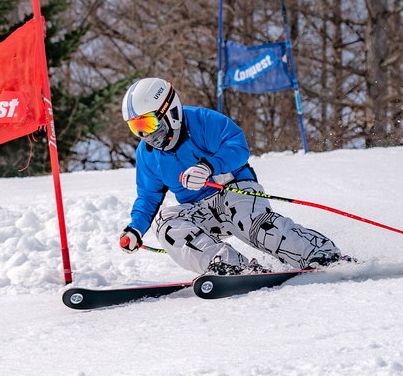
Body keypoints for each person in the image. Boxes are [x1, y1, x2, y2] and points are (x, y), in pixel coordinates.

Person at [118, 77, 350, 275]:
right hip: (201, 210)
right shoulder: (147, 154)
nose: (144, 134)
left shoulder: (201, 121)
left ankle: (318, 252)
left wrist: (209, 167)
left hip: (235, 192)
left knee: (252, 225)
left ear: (170, 111)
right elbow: (148, 197)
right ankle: (229, 266)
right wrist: (135, 229)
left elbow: (238, 148)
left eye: (147, 124)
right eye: (135, 127)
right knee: (166, 224)